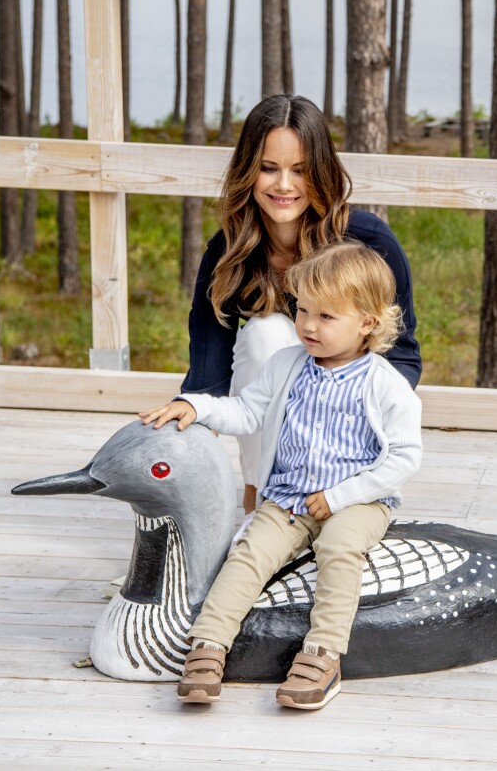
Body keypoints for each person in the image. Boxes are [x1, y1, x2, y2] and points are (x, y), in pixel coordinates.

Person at [140, 242, 422, 710]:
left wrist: (340, 496)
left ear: (368, 322)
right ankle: (208, 645)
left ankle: (323, 654)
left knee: (339, 547)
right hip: (289, 498)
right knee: (249, 554)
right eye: (303, 310)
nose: (308, 325)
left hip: (359, 500)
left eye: (327, 317)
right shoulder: (288, 366)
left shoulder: (385, 384)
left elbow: (404, 459)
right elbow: (247, 411)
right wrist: (197, 405)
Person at [181, 94, 421, 515]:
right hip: (275, 401)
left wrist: (372, 418)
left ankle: (339, 495)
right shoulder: (229, 249)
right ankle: (262, 494)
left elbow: (400, 350)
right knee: (265, 335)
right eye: (268, 168)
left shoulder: (369, 241)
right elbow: (209, 351)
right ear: (248, 171)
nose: (284, 186)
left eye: (300, 171)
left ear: (322, 174)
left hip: (352, 399)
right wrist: (194, 413)